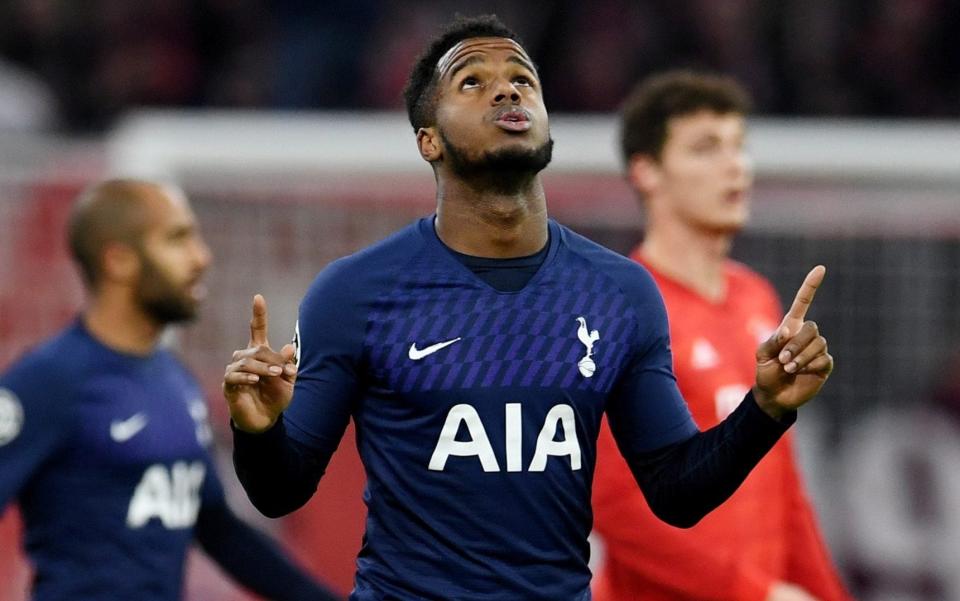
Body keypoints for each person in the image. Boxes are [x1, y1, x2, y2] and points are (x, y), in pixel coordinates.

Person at [223, 15, 834, 601]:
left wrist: (766, 410)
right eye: (472, 82)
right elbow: (281, 490)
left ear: (546, 124)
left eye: (523, 79)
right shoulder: (356, 291)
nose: (506, 90)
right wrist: (258, 430)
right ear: (428, 139)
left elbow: (676, 491)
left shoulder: (619, 292)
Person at [0, 179, 340, 601]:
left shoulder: (174, 379)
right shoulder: (49, 381)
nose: (201, 257)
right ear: (119, 260)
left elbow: (219, 530)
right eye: (177, 239)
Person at [590, 71, 852, 601]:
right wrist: (753, 593)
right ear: (646, 172)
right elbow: (615, 504)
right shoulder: (620, 310)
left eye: (739, 146)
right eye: (706, 148)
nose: (736, 166)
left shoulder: (757, 298)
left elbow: (782, 484)